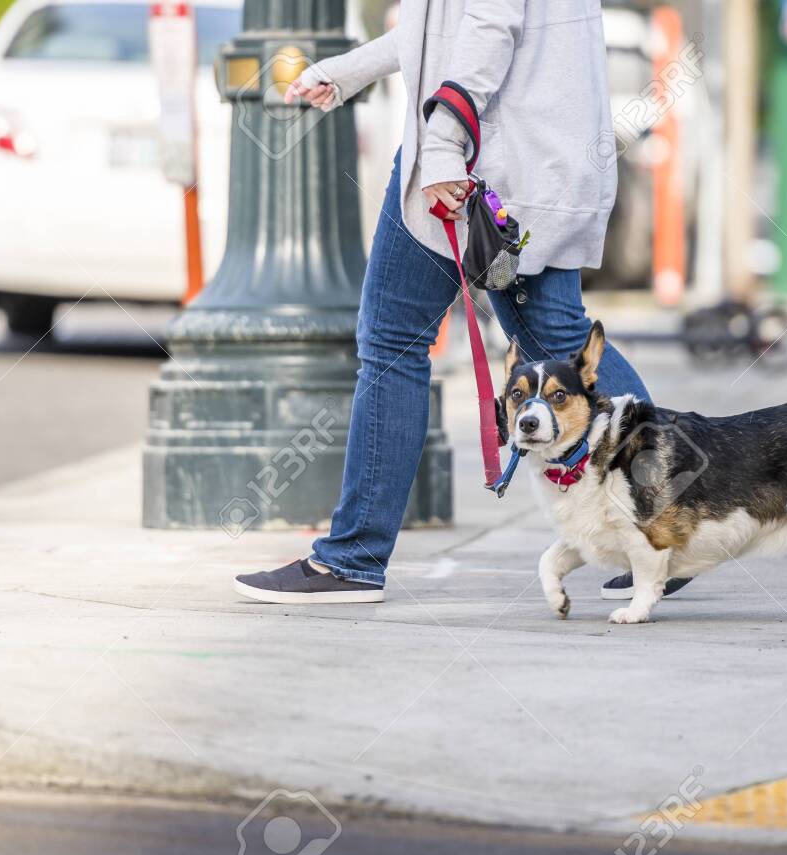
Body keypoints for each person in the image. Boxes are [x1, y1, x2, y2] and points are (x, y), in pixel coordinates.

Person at [233, 1, 686, 604]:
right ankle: (669, 524)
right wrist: (349, 70)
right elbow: (441, 28)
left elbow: (487, 27)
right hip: (537, 156)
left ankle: (352, 559)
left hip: (477, 158)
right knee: (560, 338)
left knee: (394, 341)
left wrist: (442, 146)